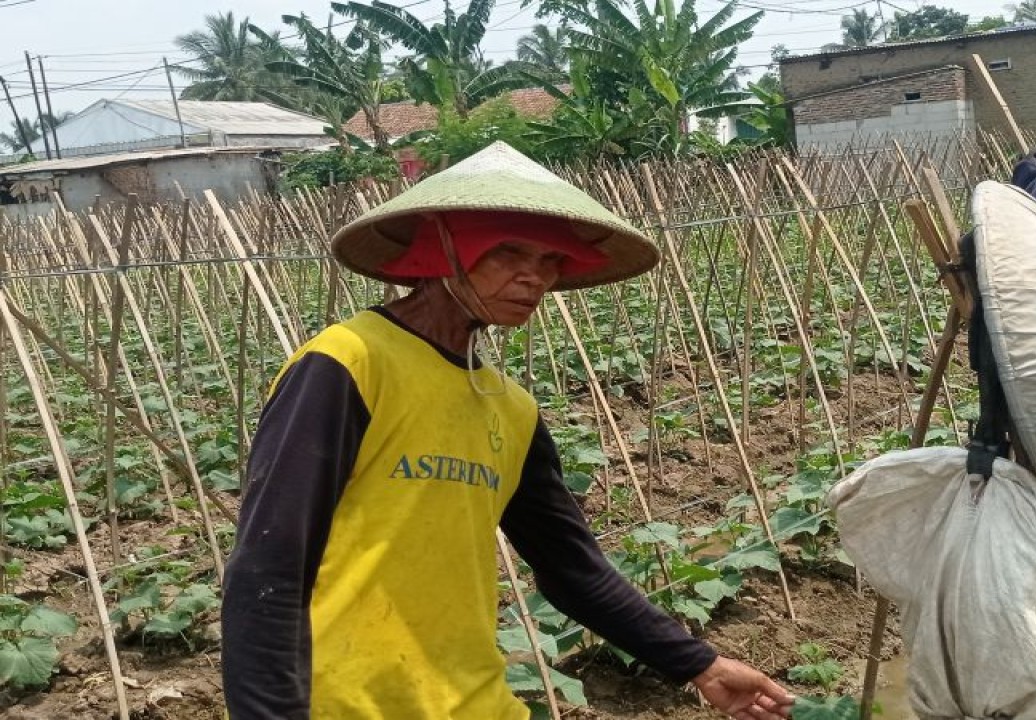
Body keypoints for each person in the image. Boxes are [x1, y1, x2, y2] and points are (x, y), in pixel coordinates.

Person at [221, 141, 795, 720]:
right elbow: (270, 565)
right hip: (344, 701)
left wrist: (701, 665)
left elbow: (570, 568)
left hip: (470, 698)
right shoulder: (349, 363)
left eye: (550, 261)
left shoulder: (510, 408)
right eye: (509, 252)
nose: (535, 278)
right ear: (444, 248)